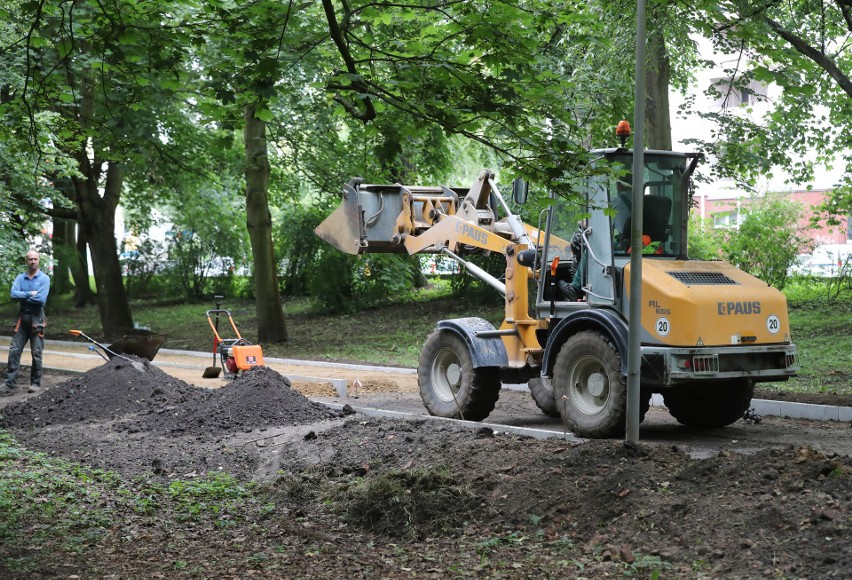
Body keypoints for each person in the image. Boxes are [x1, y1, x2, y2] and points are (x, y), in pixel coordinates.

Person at [2, 249, 50, 396]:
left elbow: (40, 300)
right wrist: (29, 294)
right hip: (22, 319)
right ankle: (9, 385)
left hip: (37, 319)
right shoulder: (20, 278)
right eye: (30, 259)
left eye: (35, 259)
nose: (33, 261)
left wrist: (22, 296)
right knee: (14, 350)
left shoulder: (44, 278)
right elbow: (13, 294)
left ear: (39, 260)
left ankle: (35, 384)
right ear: (26, 261)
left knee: (36, 352)